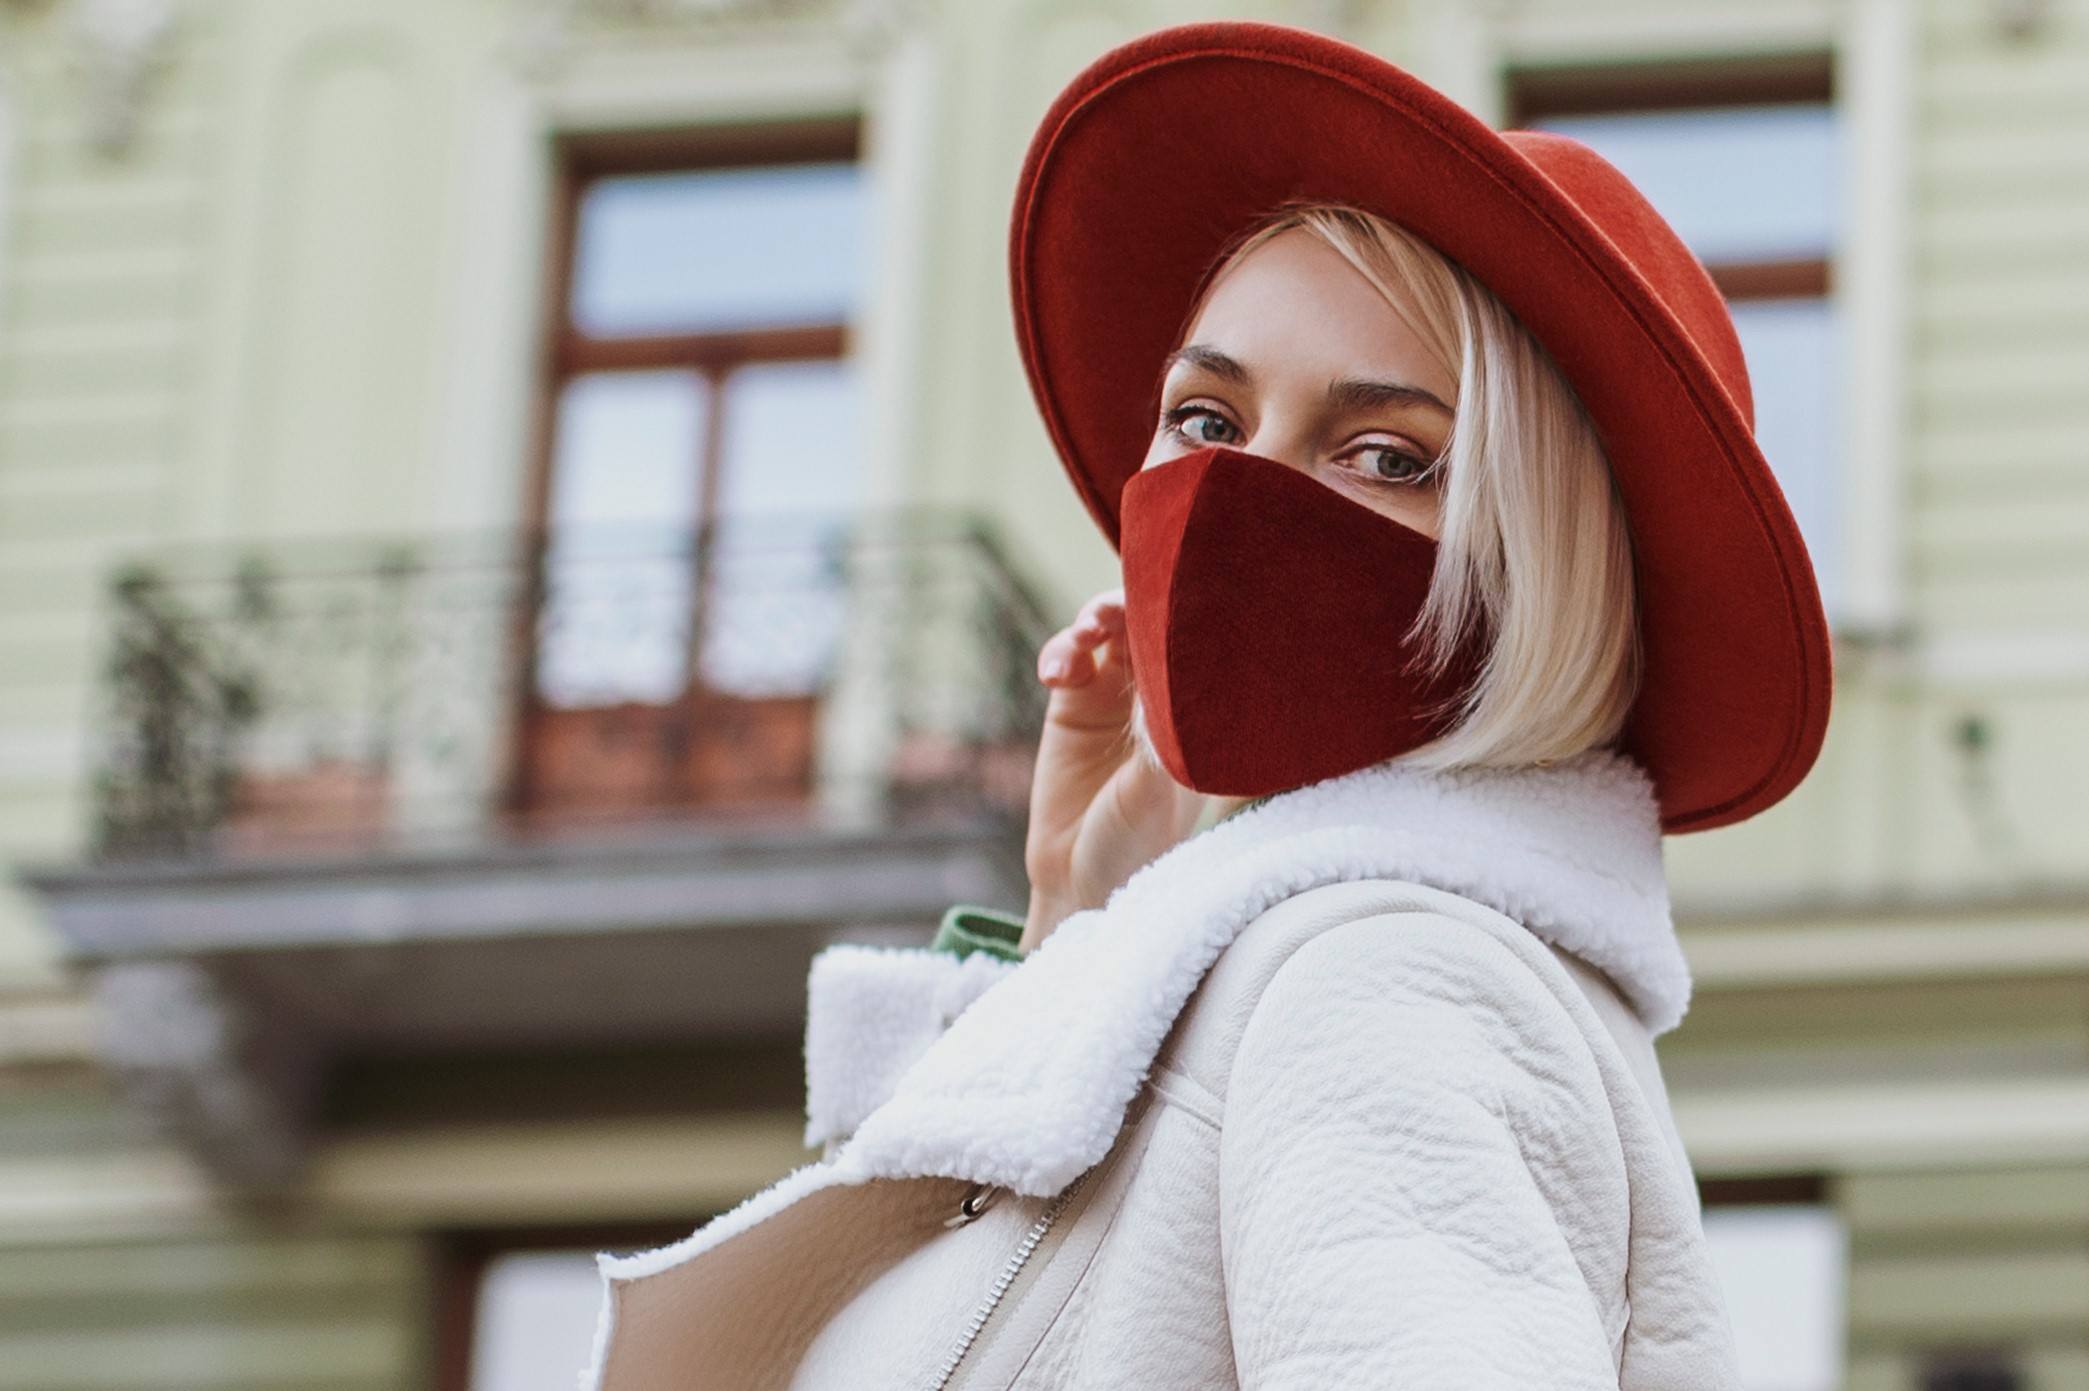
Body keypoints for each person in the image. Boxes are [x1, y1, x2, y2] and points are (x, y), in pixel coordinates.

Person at [580, 19, 1832, 1390]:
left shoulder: (1380, 980)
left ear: (1543, 562)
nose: (1242, 497)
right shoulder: (1253, 980)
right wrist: (1078, 921)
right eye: (1206, 421)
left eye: (1382, 453)